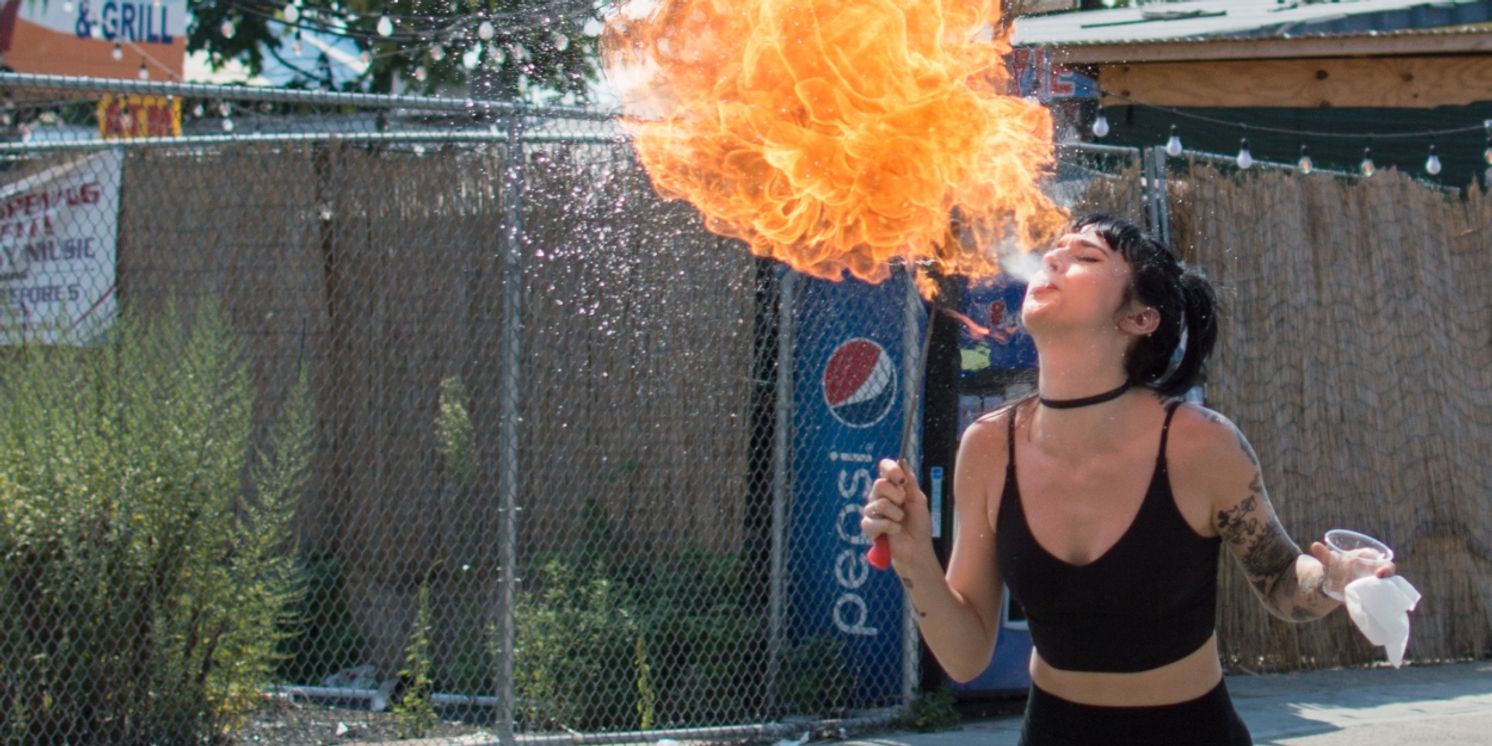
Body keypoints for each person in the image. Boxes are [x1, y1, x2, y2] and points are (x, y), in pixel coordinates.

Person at [860, 214, 1397, 746]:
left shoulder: (1200, 444)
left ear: (1139, 318)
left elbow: (1281, 583)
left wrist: (1334, 578)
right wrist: (914, 557)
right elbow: (964, 657)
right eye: (1055, 250)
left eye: (1085, 256)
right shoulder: (987, 447)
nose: (1053, 257)